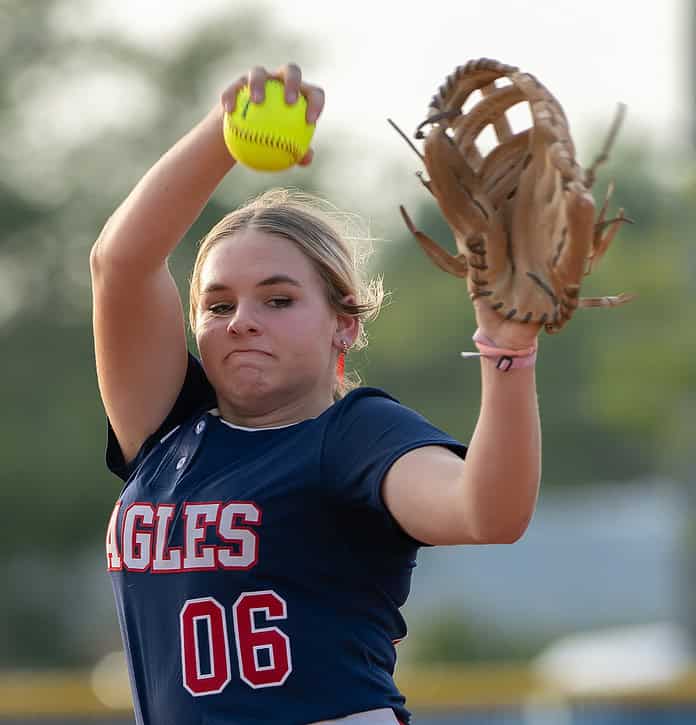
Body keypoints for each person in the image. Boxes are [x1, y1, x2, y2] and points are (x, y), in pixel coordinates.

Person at [91, 63, 541, 725]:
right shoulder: (166, 429)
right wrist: (228, 129)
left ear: (344, 323)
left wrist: (508, 354)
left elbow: (487, 512)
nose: (242, 319)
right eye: (217, 305)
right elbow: (120, 263)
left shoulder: (355, 437)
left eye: (278, 298)